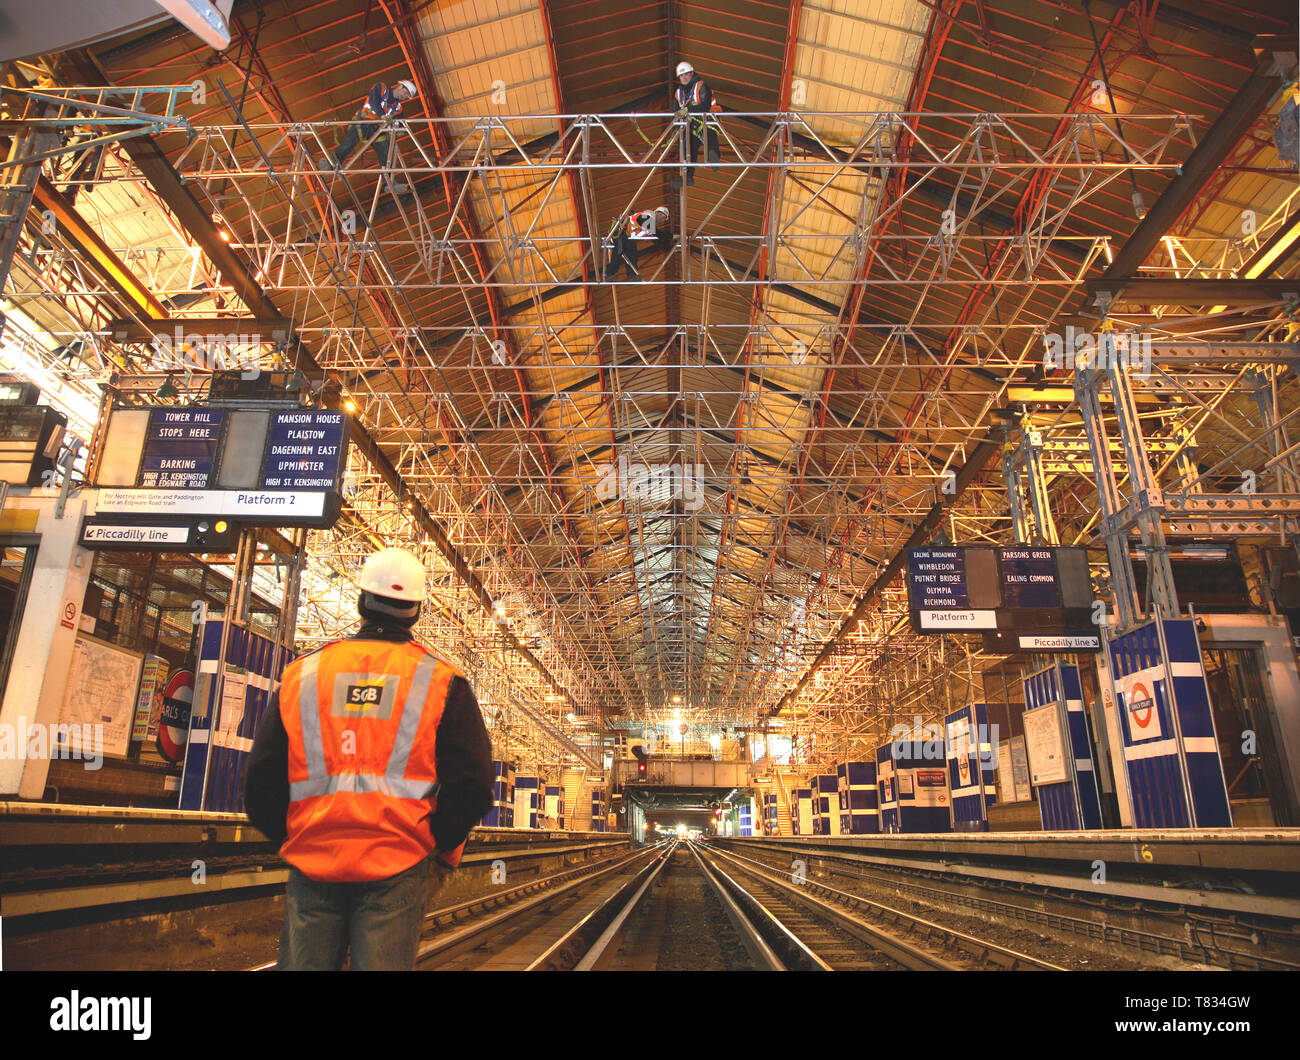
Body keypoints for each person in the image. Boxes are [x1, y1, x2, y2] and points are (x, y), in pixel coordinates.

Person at [244, 546, 493, 970]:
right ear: (414, 611)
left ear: (362, 601)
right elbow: (473, 784)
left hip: (314, 859)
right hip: (397, 861)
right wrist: (434, 842)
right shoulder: (442, 682)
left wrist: (293, 837)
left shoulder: (303, 673)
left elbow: (261, 779)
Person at [324, 80, 418, 193]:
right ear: (401, 86)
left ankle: (388, 182)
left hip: (377, 130)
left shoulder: (397, 107)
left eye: (408, 96)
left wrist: (400, 128)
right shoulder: (381, 88)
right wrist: (383, 116)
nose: (405, 97)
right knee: (350, 142)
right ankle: (330, 163)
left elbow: (399, 121)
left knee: (386, 151)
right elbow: (374, 101)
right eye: (406, 93)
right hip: (364, 121)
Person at [671, 61, 720, 187]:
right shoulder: (678, 94)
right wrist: (676, 130)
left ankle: (713, 156)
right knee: (688, 146)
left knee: (709, 133)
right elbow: (676, 113)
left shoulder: (701, 86)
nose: (684, 77)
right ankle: (687, 176)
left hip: (709, 118)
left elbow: (705, 106)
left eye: (687, 74)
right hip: (691, 125)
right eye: (682, 76)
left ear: (692, 73)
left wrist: (688, 110)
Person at [604, 205, 671, 281]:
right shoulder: (648, 216)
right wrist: (672, 236)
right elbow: (659, 234)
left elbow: (657, 241)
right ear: (658, 213)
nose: (663, 221)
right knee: (619, 250)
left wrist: (669, 248)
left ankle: (632, 276)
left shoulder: (650, 227)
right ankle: (609, 274)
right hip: (620, 231)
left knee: (632, 253)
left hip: (627, 236)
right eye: (663, 217)